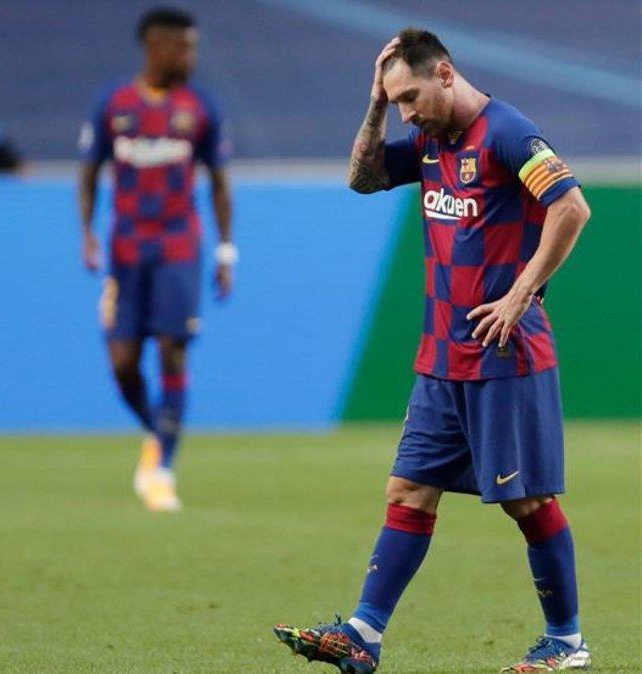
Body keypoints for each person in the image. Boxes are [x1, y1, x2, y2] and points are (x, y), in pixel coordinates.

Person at [273, 29, 592, 673]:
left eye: (411, 97)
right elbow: (362, 179)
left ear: (445, 73)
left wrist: (522, 294)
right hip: (442, 358)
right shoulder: (427, 141)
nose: (407, 113)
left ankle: (566, 640)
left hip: (504, 354)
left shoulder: (507, 133)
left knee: (525, 502)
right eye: (396, 103)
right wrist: (374, 102)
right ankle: (364, 633)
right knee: (409, 489)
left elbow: (572, 208)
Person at [77, 7, 233, 512]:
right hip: (124, 248)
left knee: (172, 348)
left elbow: (220, 182)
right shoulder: (114, 104)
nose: (191, 56)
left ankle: (162, 467)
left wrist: (226, 250)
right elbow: (88, 170)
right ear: (157, 47)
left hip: (178, 245)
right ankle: (157, 431)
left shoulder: (200, 108)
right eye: (184, 47)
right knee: (123, 363)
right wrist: (87, 235)